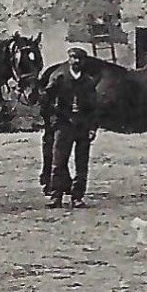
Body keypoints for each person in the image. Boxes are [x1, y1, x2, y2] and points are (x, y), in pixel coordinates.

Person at [46, 47, 97, 208]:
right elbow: (47, 101)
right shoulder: (59, 78)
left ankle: (77, 197)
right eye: (73, 58)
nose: (76, 61)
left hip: (82, 126)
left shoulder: (88, 82)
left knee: (81, 163)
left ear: (83, 61)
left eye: (79, 59)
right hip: (64, 125)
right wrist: (54, 122)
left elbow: (94, 108)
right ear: (69, 60)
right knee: (58, 161)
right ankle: (56, 196)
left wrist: (92, 128)